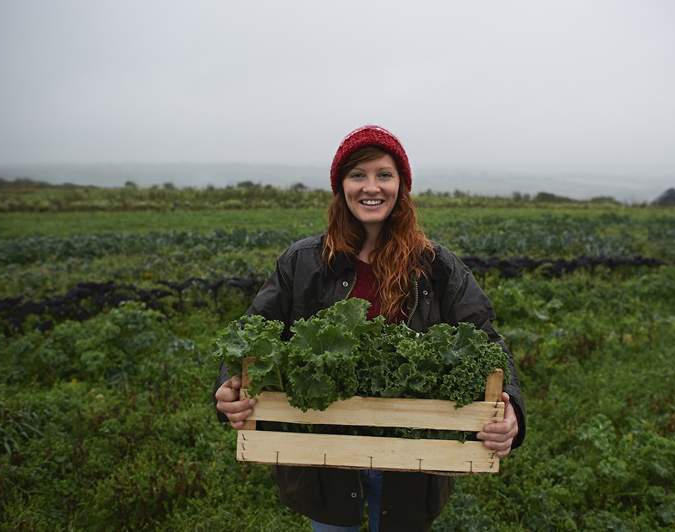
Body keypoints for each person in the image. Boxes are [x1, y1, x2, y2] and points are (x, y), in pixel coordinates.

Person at [214, 125, 526, 531]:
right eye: (357, 175)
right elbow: (252, 330)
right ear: (340, 185)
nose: (370, 187)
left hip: (411, 464)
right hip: (326, 458)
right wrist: (229, 383)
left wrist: (513, 410)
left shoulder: (437, 266)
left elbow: (486, 340)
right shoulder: (302, 262)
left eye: (384, 174)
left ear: (401, 185)